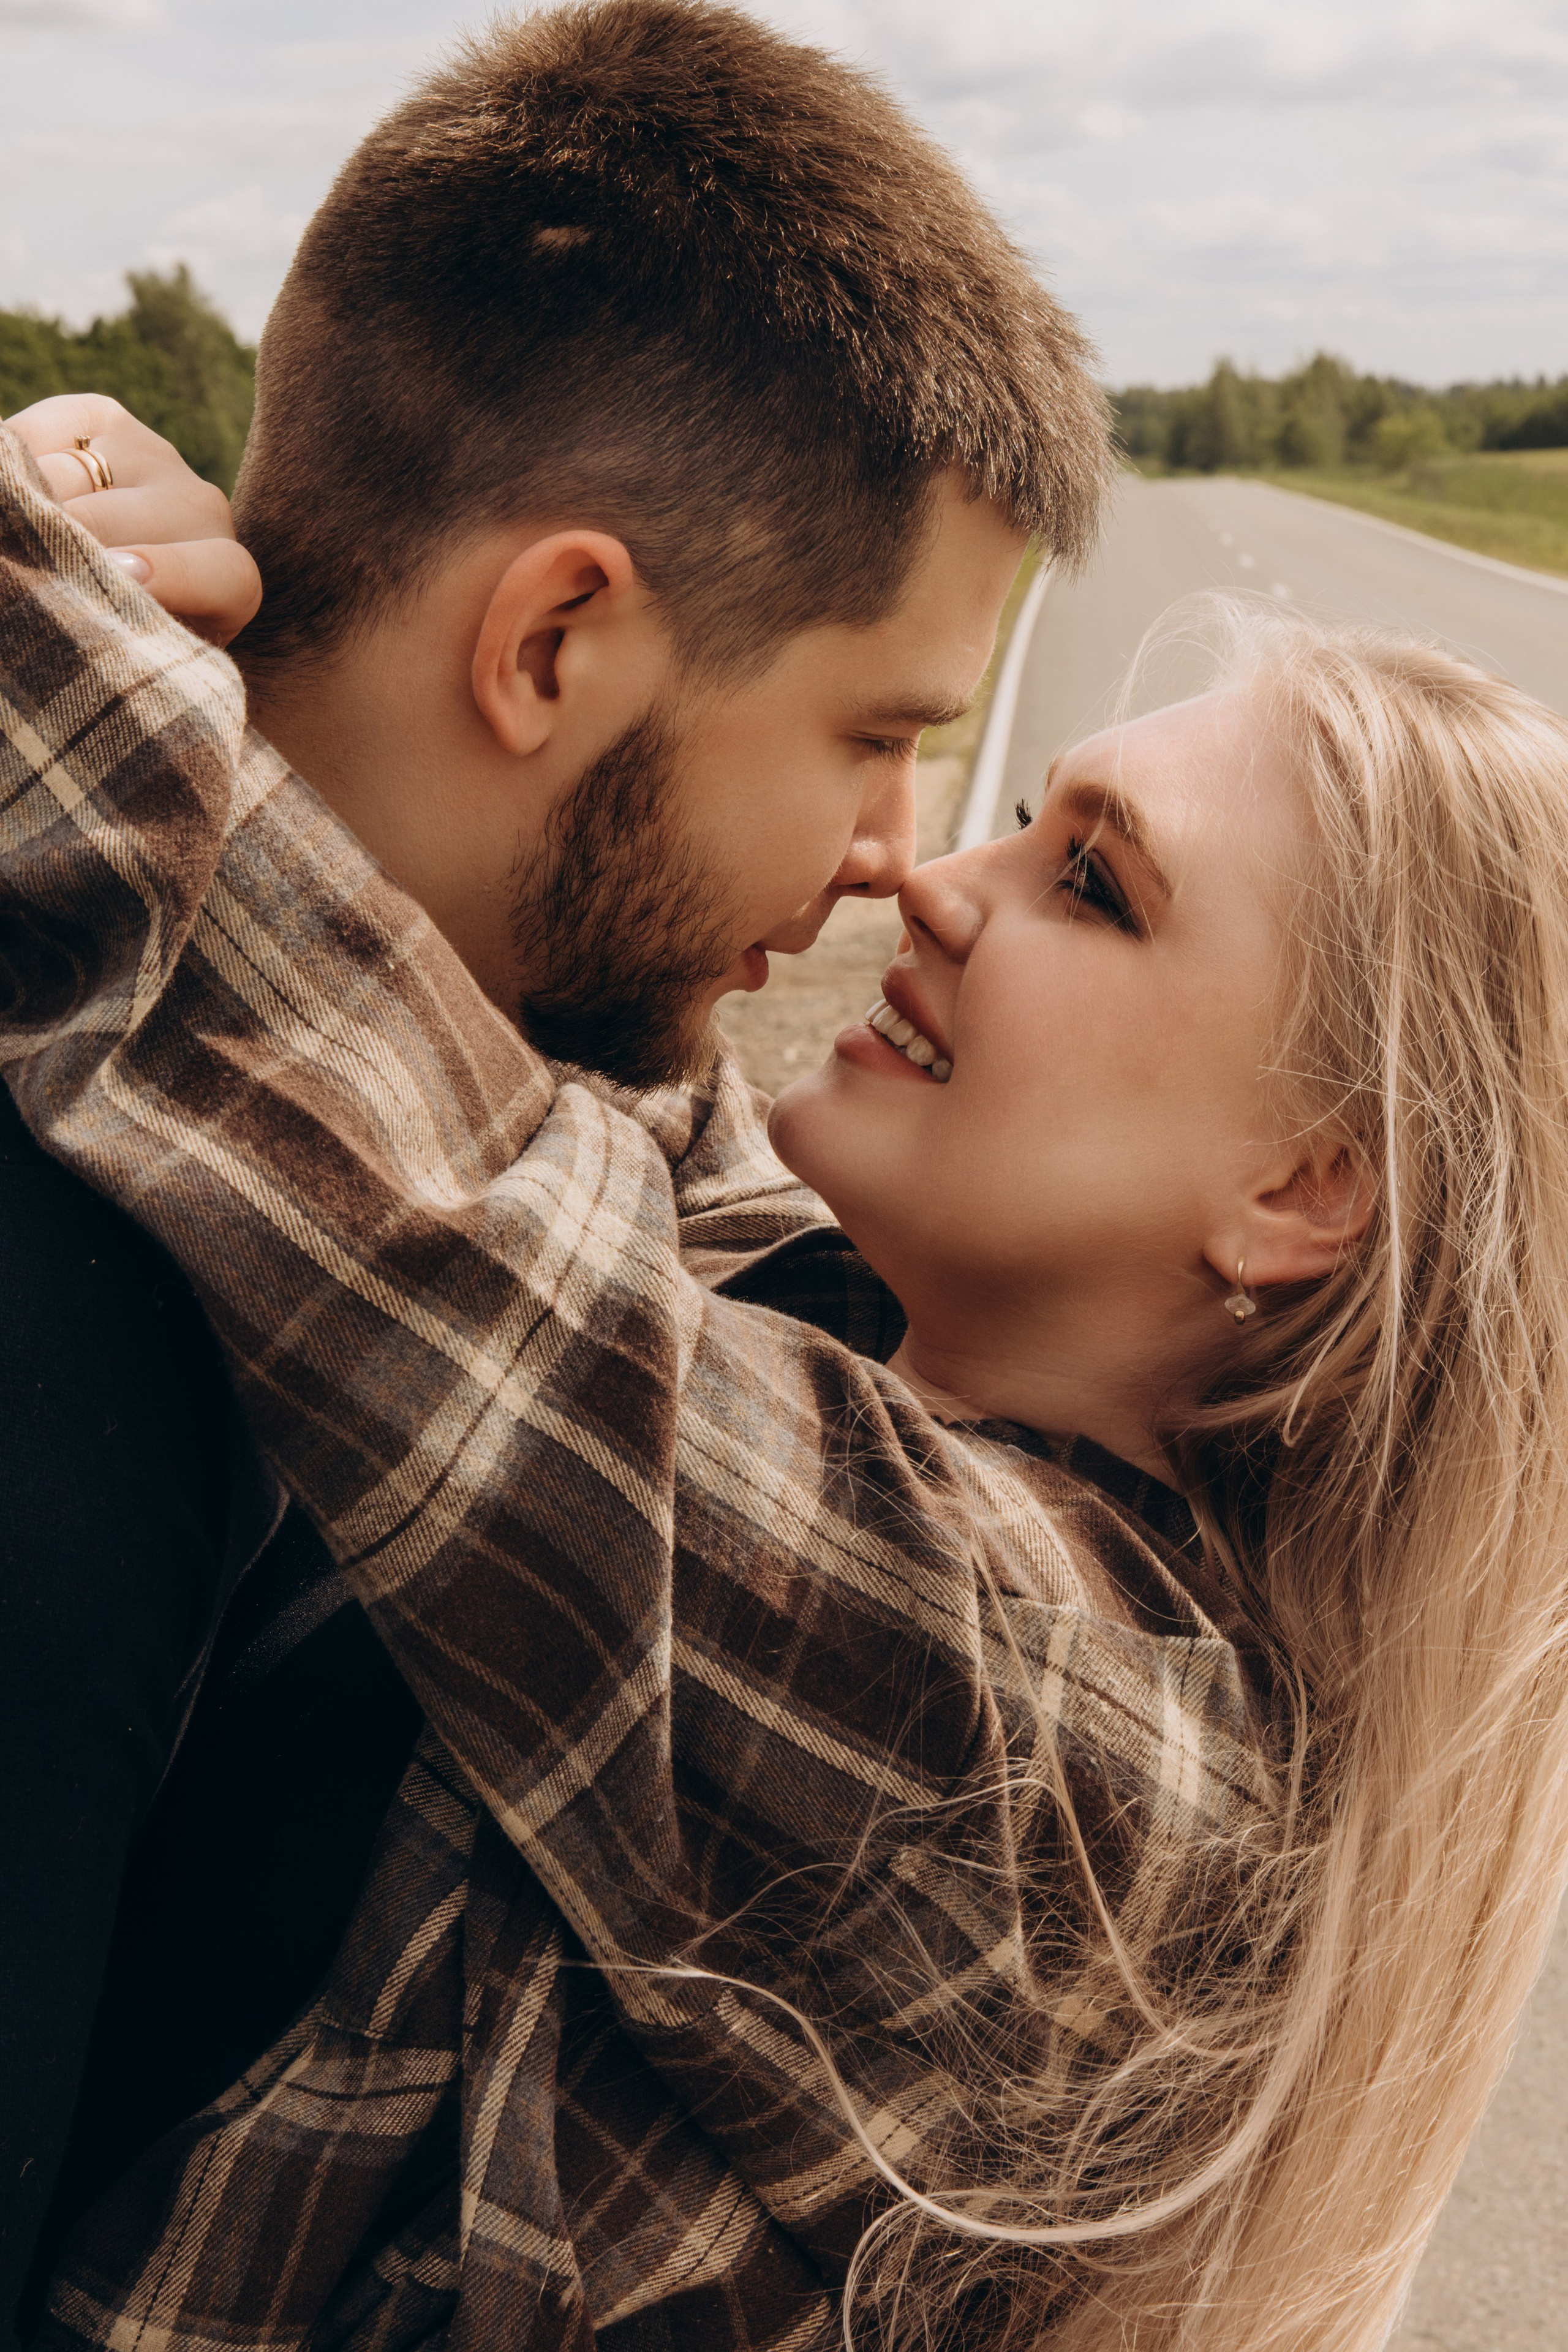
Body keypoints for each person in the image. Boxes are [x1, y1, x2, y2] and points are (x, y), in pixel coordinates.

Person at [7, 384, 1568, 2352]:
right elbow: (552, 1057)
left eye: (1096, 885)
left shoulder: (1080, 1754)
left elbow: (431, 1195)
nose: (932, 882)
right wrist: (198, 589)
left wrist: (41, 592)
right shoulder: (816, 1304)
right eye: (1022, 815)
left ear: (1302, 1193)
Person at [0, 0, 1111, 2321]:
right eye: (879, 735)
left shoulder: (487, 1200)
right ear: (560, 638)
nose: (905, 860)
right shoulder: (66, 1303)